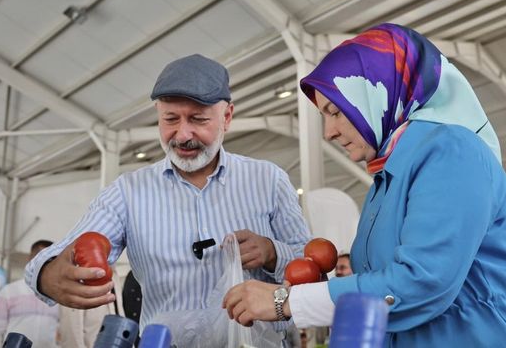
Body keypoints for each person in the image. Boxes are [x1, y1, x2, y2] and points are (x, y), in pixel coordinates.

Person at [222, 23, 506, 347]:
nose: (328, 133)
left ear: (378, 93)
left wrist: (287, 302)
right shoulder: (386, 179)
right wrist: (319, 290)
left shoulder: (450, 150)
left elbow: (423, 281)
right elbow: (387, 288)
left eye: (336, 111)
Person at [24, 54, 311, 344]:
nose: (183, 134)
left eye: (198, 119)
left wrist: (272, 252)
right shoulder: (127, 193)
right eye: (170, 119)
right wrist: (50, 276)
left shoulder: (268, 180)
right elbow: (51, 260)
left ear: (227, 117)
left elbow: (312, 270)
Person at [0, 240, 59, 348]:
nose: (44, 263)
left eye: (51, 259)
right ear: (30, 258)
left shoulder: (58, 295)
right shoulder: (9, 291)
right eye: (41, 257)